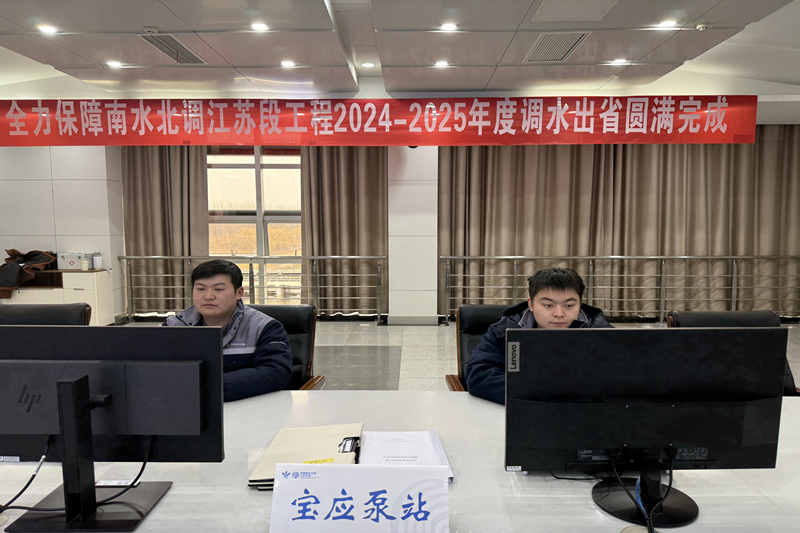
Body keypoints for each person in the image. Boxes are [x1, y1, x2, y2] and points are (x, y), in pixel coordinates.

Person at [466, 267, 613, 404]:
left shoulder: (601, 332)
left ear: (579, 304)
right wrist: (542, 393)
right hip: (524, 412)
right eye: (548, 305)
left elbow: (619, 380)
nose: (559, 314)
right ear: (530, 304)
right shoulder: (505, 330)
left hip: (584, 415)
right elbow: (479, 375)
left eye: (569, 305)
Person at [164, 259, 292, 401]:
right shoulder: (174, 326)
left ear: (239, 293)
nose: (208, 296)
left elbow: (275, 373)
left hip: (247, 407)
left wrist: (207, 387)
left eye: (218, 289)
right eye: (201, 289)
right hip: (186, 407)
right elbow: (155, 370)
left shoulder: (264, 327)